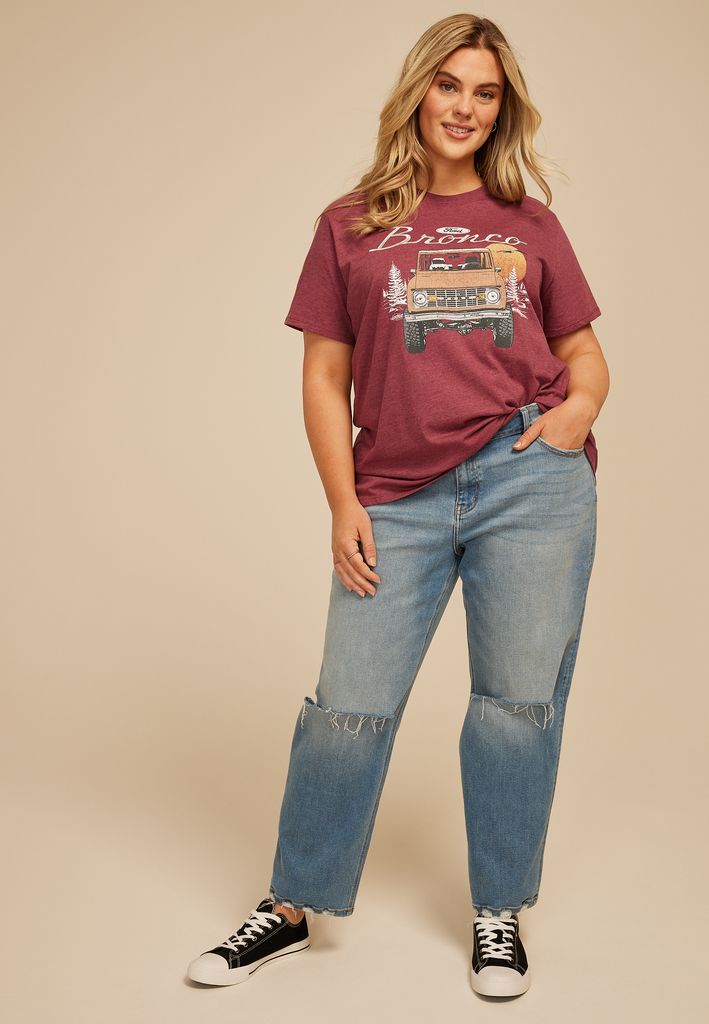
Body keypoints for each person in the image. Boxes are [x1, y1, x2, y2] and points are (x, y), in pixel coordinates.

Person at [187, 12, 609, 999]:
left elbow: (582, 353)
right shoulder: (350, 224)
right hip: (395, 493)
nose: (464, 107)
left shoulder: (531, 224)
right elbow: (323, 377)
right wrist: (342, 501)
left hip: (528, 480)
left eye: (485, 92)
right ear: (418, 92)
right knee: (348, 706)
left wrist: (575, 412)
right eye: (449, 85)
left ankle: (498, 909)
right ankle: (291, 906)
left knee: (515, 707)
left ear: (501, 110)